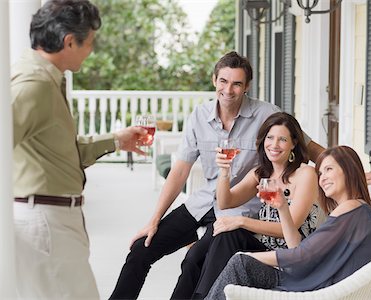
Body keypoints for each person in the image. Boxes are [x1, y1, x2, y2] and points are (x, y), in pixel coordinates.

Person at [109, 51, 328, 299]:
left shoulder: (267, 115)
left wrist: (348, 170)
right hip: (203, 202)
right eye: (223, 81)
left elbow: (309, 148)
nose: (228, 90)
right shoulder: (199, 116)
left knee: (194, 260)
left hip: (241, 208)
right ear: (214, 80)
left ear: (247, 87)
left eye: (236, 83)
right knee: (141, 249)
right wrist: (154, 220)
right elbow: (180, 171)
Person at [11, 1, 149, 299]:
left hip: (54, 218)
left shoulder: (47, 80)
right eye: (90, 42)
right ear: (69, 41)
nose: (91, 50)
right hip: (46, 223)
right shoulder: (34, 85)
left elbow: (61, 151)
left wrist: (116, 140)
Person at [171, 112, 319, 299]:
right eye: (270, 138)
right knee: (215, 243)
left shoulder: (305, 174)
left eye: (282, 139)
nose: (274, 145)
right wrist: (224, 172)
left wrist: (241, 221)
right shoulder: (261, 174)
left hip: (290, 256)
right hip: (265, 248)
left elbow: (291, 227)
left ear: (294, 143)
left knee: (228, 234)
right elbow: (225, 202)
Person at [206, 145, 371, 300]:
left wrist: (246, 256)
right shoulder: (358, 211)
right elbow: (297, 248)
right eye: (320, 173)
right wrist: (282, 207)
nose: (322, 178)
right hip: (314, 283)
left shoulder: (350, 209)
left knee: (241, 264)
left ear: (349, 170)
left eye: (329, 169)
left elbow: (300, 256)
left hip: (315, 289)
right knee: (241, 267)